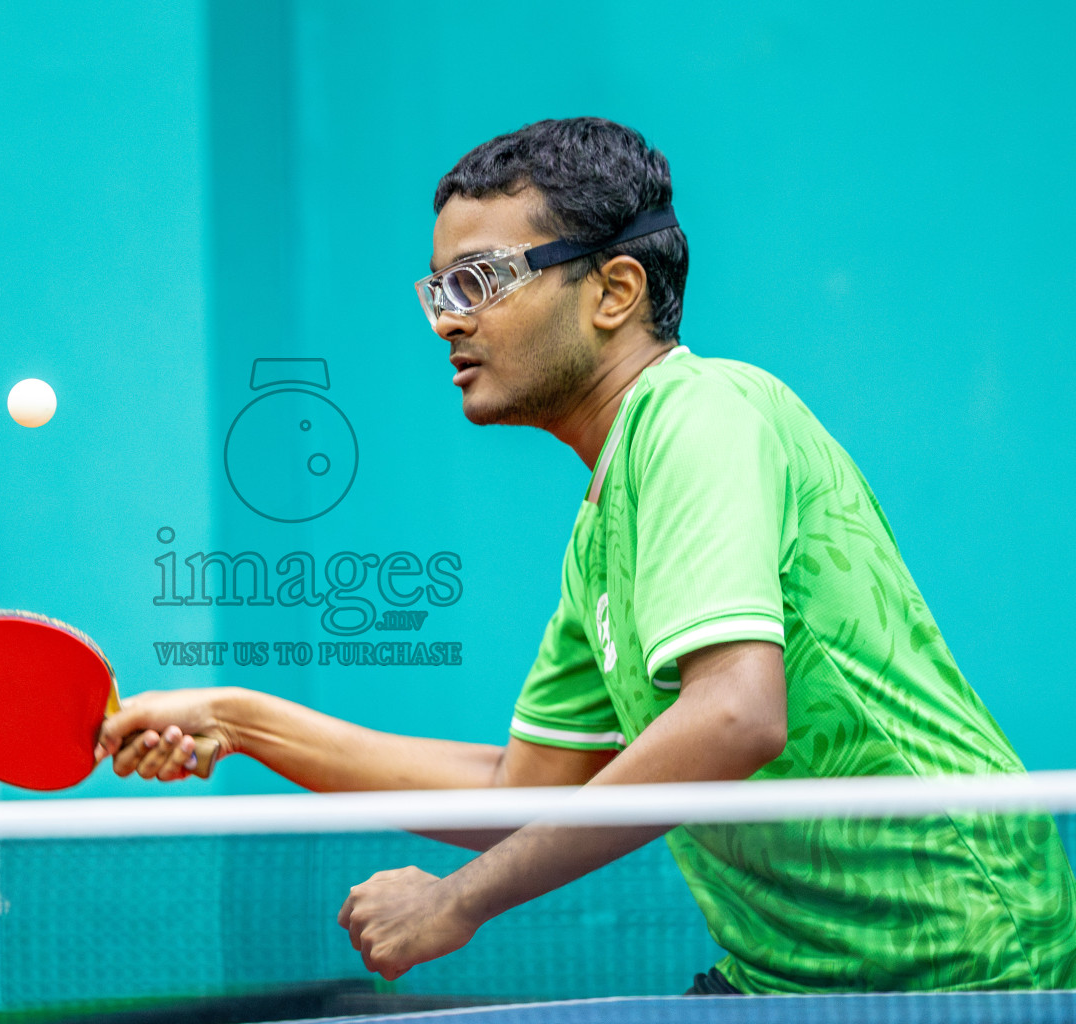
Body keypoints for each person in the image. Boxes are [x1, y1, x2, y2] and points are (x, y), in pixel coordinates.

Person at [95, 118, 1076, 994]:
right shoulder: (605, 519)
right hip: (791, 980)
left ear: (614, 289)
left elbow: (736, 713)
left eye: (478, 282)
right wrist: (242, 718)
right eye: (438, 289)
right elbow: (522, 802)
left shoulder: (705, 414)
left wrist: (461, 901)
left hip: (969, 967)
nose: (447, 319)